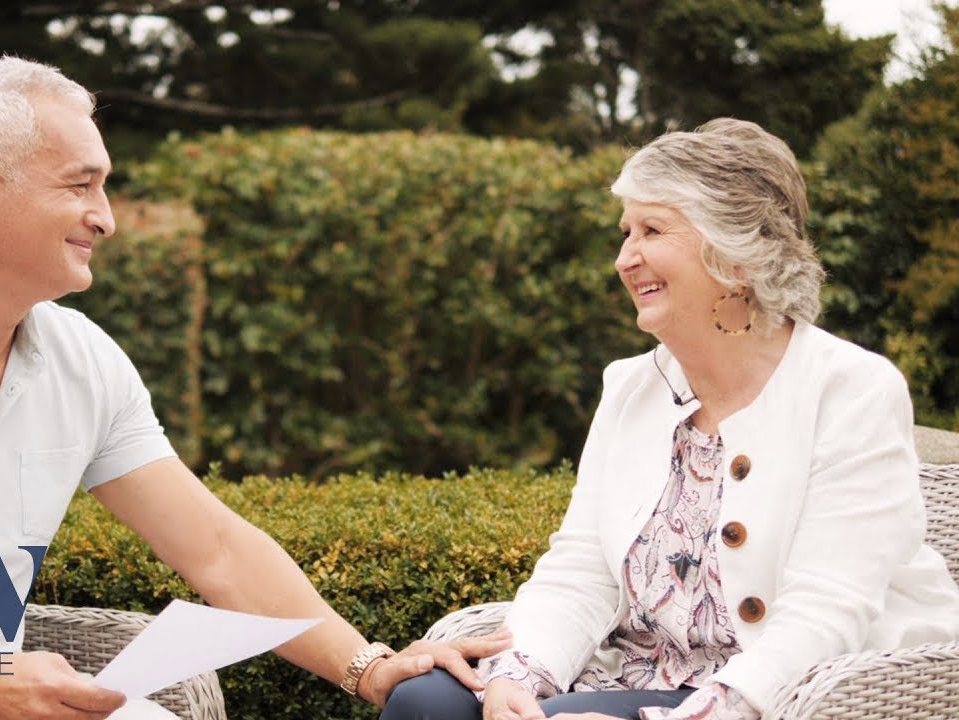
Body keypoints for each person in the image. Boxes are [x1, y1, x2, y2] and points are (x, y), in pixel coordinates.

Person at [0, 57, 508, 720]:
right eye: (79, 185)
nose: (106, 216)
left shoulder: (85, 360)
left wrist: (370, 669)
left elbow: (218, 551)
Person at [380, 118, 959, 720]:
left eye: (652, 230)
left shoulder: (852, 391)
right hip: (628, 670)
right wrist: (519, 677)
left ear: (736, 254)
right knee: (425, 702)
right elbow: (581, 569)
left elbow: (828, 606)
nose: (625, 257)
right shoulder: (630, 386)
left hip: (772, 690)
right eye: (626, 232)